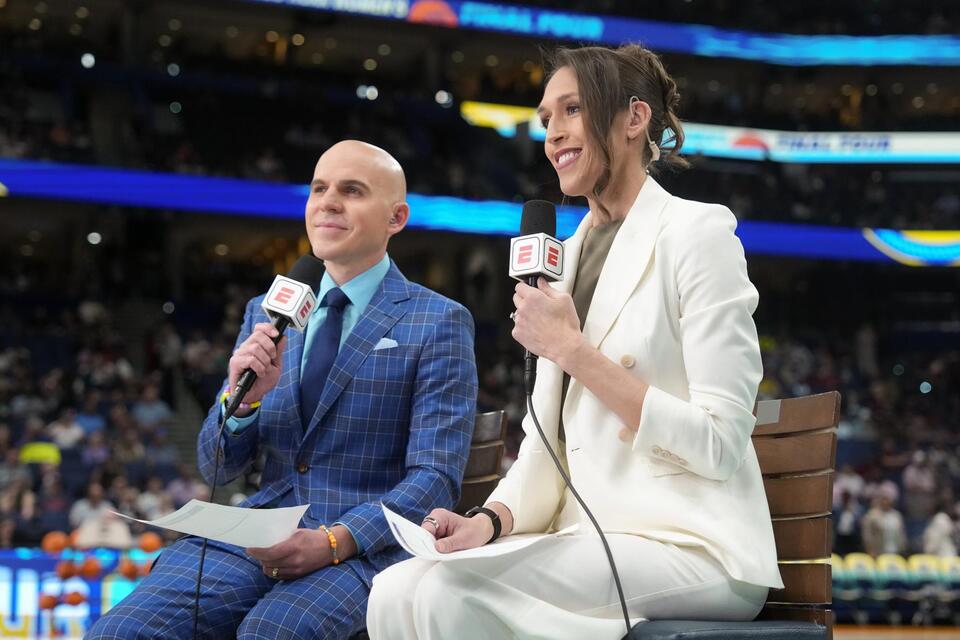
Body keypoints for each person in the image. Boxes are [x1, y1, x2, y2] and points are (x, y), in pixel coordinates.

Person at [367, 44, 783, 639]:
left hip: (693, 542)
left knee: (447, 592)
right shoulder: (564, 259)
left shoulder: (698, 233)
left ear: (634, 118)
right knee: (393, 588)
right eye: (546, 119)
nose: (553, 134)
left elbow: (719, 442)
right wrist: (489, 520)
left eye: (572, 110)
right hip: (588, 539)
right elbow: (547, 449)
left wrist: (572, 351)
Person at [88, 140, 478, 639]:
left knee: (269, 632)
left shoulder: (438, 320)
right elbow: (216, 467)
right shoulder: (267, 311)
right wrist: (244, 401)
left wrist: (336, 540)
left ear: (396, 218)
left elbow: (435, 477)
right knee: (119, 631)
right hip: (256, 533)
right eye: (319, 189)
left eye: (352, 191)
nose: (328, 202)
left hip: (364, 548)